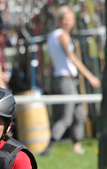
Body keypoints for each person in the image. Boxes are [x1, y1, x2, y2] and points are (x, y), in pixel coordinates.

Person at [41, 6, 101, 156]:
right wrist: (90, 77)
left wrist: (48, 81)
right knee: (66, 118)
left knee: (79, 114)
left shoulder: (51, 36)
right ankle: (47, 148)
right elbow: (72, 58)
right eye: (66, 19)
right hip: (65, 80)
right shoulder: (63, 36)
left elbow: (49, 62)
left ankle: (76, 147)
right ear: (60, 20)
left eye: (71, 19)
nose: (69, 22)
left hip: (59, 79)